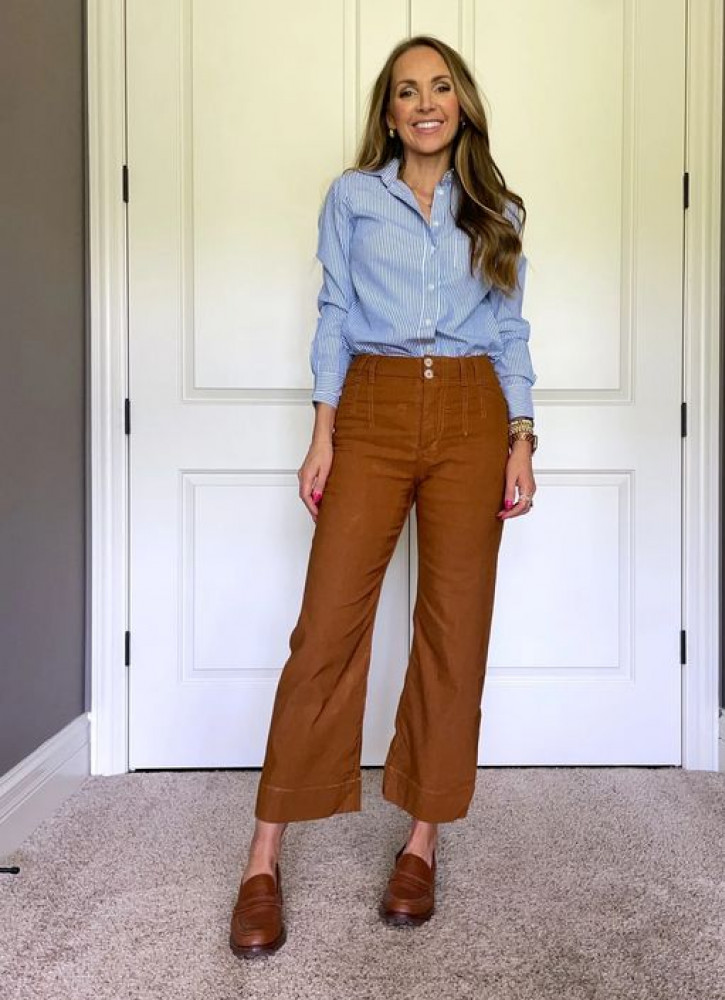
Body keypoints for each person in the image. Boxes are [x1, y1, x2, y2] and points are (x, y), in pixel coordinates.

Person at [229, 33, 538, 958]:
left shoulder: (497, 207)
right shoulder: (353, 198)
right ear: (390, 112)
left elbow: (511, 329)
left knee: (454, 629)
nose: (425, 102)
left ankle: (421, 842)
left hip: (473, 415)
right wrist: (322, 432)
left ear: (463, 103)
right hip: (372, 401)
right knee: (326, 627)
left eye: (440, 86)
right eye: (408, 91)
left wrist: (522, 438)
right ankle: (262, 856)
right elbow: (332, 315)